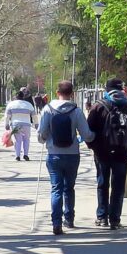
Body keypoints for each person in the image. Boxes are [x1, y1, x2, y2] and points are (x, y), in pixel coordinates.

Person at [37, 80, 94, 235]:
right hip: (72, 155)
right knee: (69, 188)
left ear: (57, 93)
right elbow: (87, 135)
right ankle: (69, 219)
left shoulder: (47, 110)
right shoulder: (76, 111)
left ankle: (56, 223)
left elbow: (41, 135)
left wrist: (45, 139)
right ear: (72, 94)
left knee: (56, 188)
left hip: (54, 155)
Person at [86, 78, 127, 229]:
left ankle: (102, 217)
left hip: (102, 153)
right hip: (122, 154)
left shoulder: (98, 106)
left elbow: (89, 130)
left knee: (102, 184)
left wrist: (93, 146)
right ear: (121, 90)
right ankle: (115, 220)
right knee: (118, 187)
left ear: (106, 90)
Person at [4, 87, 38, 162]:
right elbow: (34, 115)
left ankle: (17, 156)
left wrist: (6, 124)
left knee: (17, 140)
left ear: (15, 97)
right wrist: (36, 124)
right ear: (23, 97)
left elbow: (7, 116)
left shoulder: (11, 104)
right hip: (26, 124)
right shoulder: (28, 104)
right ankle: (26, 155)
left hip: (15, 124)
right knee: (26, 140)